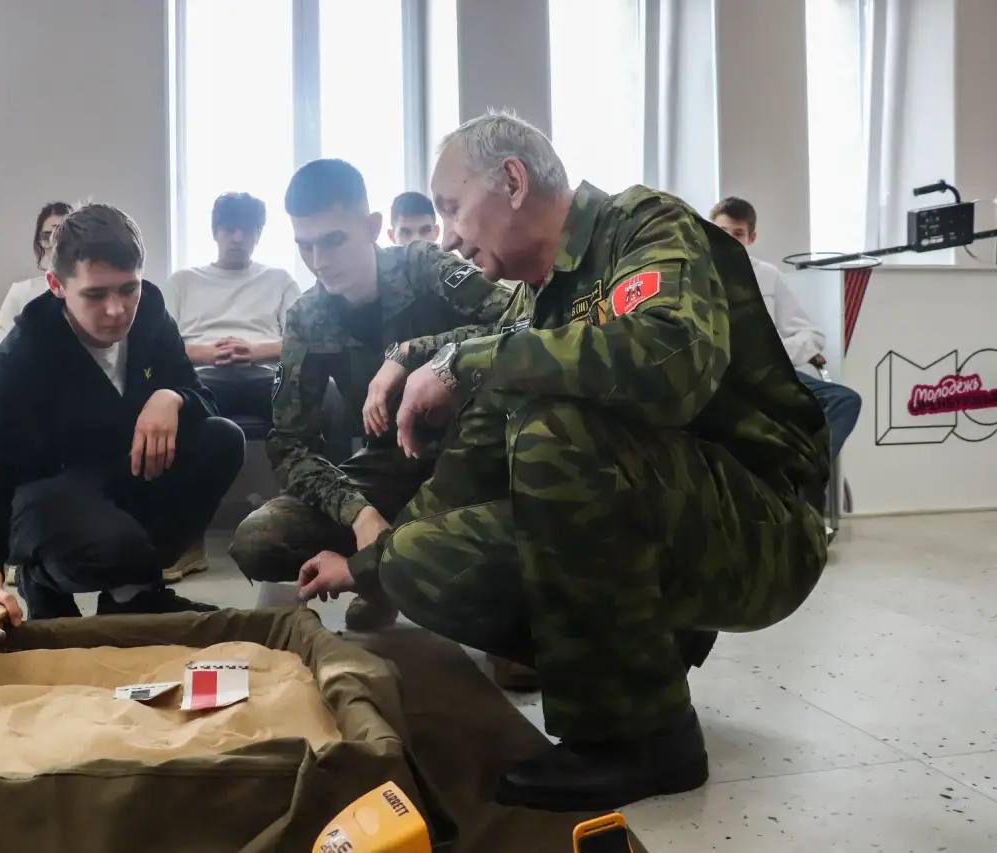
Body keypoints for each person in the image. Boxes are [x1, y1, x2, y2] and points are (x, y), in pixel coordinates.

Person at [295, 113, 830, 810]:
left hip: (765, 527)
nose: (448, 235)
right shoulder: (534, 299)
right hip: (668, 513)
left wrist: (468, 359)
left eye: (453, 207)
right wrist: (370, 563)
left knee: (556, 430)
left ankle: (642, 739)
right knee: (417, 559)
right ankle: (640, 662)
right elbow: (474, 455)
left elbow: (671, 362)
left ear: (513, 182)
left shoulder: (644, 225)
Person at [228, 159, 512, 631]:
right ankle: (382, 570)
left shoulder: (423, 266)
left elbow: (517, 321)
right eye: (305, 245)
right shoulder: (307, 316)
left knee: (489, 540)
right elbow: (290, 443)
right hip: (392, 464)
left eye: (333, 240)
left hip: (475, 459)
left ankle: (401, 579)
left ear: (372, 227)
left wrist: (413, 353)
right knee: (260, 539)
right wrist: (357, 512)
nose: (319, 261)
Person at [0, 203, 243, 624]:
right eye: (95, 294)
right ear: (56, 285)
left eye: (129, 289)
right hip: (47, 498)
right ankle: (41, 578)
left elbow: (201, 396)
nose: (116, 309)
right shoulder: (23, 355)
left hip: (122, 477)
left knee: (222, 439)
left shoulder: (151, 313)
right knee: (114, 547)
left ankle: (132, 595)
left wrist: (172, 397)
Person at [157, 193, 300, 581]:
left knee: (307, 406)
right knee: (184, 422)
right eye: (229, 228)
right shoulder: (183, 282)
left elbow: (304, 338)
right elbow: (158, 345)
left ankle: (306, 527)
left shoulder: (278, 280)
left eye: (248, 230)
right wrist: (204, 353)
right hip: (203, 375)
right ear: (215, 231)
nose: (238, 237)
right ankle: (187, 542)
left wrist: (256, 350)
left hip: (263, 375)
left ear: (258, 234)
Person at [710, 196, 862, 453]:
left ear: (751, 238)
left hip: (770, 374)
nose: (728, 239)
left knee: (844, 400)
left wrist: (775, 354)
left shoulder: (767, 274)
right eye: (722, 231)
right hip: (719, 376)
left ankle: (808, 468)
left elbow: (810, 334)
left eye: (738, 233)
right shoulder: (693, 273)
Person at [0, 201, 71, 358]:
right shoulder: (21, 293)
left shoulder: (96, 294)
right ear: (39, 243)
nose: (56, 245)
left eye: (63, 236)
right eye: (47, 236)